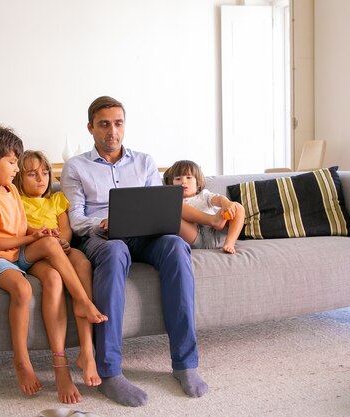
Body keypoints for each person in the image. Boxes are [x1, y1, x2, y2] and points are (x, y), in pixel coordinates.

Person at [61, 96, 208, 407]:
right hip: (102, 237)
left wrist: (160, 222)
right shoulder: (75, 167)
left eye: (118, 123)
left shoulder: (144, 162)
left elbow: (160, 206)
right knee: (114, 251)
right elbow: (75, 219)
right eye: (104, 124)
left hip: (146, 235)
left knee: (177, 245)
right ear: (90, 128)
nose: (112, 130)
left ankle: (185, 364)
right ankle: (110, 372)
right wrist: (102, 222)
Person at [0, 124, 107, 398]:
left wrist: (36, 233)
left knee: (56, 263)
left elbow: (19, 229)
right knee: (24, 288)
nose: (15, 169)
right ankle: (22, 360)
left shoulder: (10, 190)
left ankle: (67, 352)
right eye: (12, 162)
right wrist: (31, 240)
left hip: (18, 253)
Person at [14, 150, 100, 403]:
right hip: (33, 253)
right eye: (32, 174)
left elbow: (65, 229)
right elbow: (18, 228)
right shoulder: (15, 200)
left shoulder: (57, 199)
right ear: (19, 177)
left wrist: (62, 240)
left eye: (44, 173)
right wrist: (43, 235)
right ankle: (61, 366)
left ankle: (86, 351)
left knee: (83, 264)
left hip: (58, 249)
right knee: (52, 276)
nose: (40, 179)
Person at [163, 160, 245, 254]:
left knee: (237, 207)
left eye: (189, 177)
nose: (183, 182)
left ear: (198, 184)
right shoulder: (175, 201)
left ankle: (230, 243)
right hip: (194, 236)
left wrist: (226, 203)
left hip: (215, 232)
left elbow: (218, 199)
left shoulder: (204, 195)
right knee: (174, 207)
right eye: (178, 179)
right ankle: (213, 220)